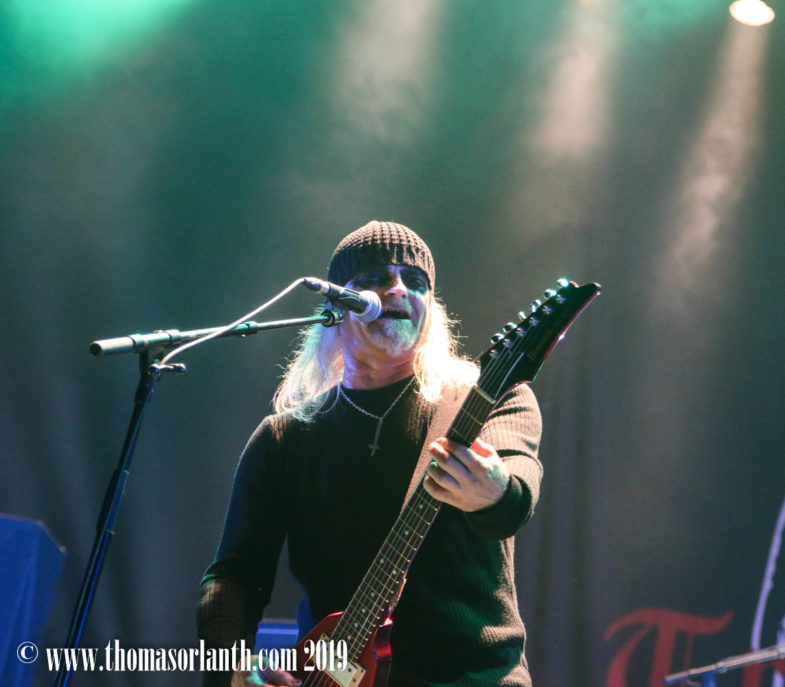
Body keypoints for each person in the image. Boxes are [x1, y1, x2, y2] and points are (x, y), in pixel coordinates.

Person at [198, 221, 543, 687]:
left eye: (415, 281)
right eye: (377, 278)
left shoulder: (487, 400)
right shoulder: (285, 439)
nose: (398, 289)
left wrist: (494, 492)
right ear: (337, 305)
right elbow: (233, 576)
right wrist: (234, 673)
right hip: (337, 677)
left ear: (431, 309)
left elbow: (515, 503)